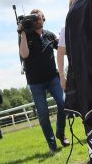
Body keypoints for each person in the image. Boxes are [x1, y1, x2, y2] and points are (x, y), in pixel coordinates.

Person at [19, 9, 69, 155]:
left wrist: (63, 41)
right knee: (43, 115)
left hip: (53, 78)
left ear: (43, 19)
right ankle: (52, 145)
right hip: (35, 83)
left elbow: (62, 51)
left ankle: (61, 132)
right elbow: (24, 54)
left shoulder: (49, 34)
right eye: (32, 19)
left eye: (38, 18)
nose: (36, 21)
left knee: (63, 103)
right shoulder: (25, 35)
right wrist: (21, 33)